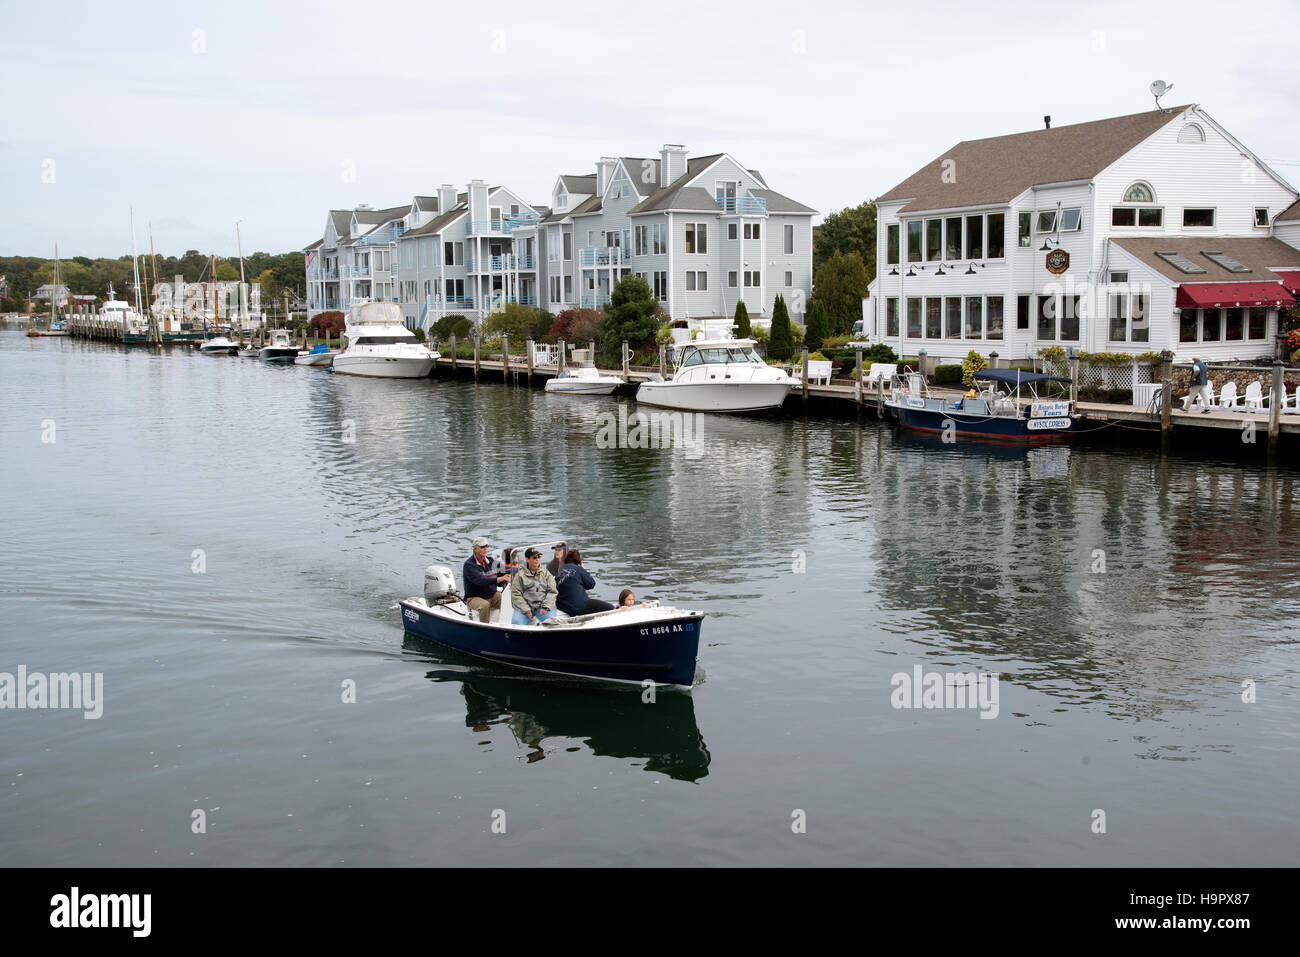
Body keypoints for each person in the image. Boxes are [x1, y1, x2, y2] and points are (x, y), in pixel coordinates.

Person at [463, 536, 511, 624]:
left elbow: (504, 569)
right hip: (474, 598)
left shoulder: (491, 561)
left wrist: (519, 569)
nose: (485, 549)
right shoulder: (469, 565)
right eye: (482, 547)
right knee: (484, 605)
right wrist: (499, 579)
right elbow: (481, 581)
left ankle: (509, 624)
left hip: (491, 595)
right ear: (475, 549)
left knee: (506, 599)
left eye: (486, 546)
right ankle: (485, 627)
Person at [554, 550, 615, 616]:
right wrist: (583, 569)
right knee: (610, 607)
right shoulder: (579, 569)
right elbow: (591, 584)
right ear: (579, 561)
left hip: (563, 607)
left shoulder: (559, 572)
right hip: (578, 606)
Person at [511, 547, 558, 626]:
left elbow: (553, 591)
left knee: (552, 623)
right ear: (527, 559)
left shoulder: (546, 573)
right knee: (516, 623)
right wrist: (526, 610)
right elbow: (515, 594)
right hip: (525, 608)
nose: (537, 559)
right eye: (534, 557)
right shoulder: (519, 576)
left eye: (539, 557)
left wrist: (546, 607)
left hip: (543, 606)